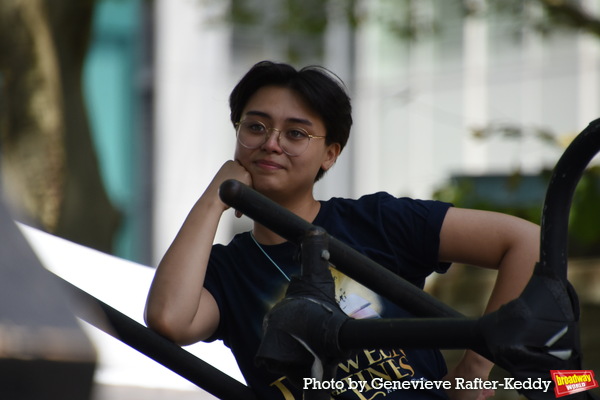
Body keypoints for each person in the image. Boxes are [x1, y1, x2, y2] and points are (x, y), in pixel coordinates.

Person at [145, 61, 540, 400]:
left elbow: (527, 243)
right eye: (255, 127)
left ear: (330, 154)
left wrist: (475, 367)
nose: (271, 143)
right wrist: (216, 197)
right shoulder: (228, 271)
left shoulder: (376, 221)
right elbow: (169, 319)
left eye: (295, 133)